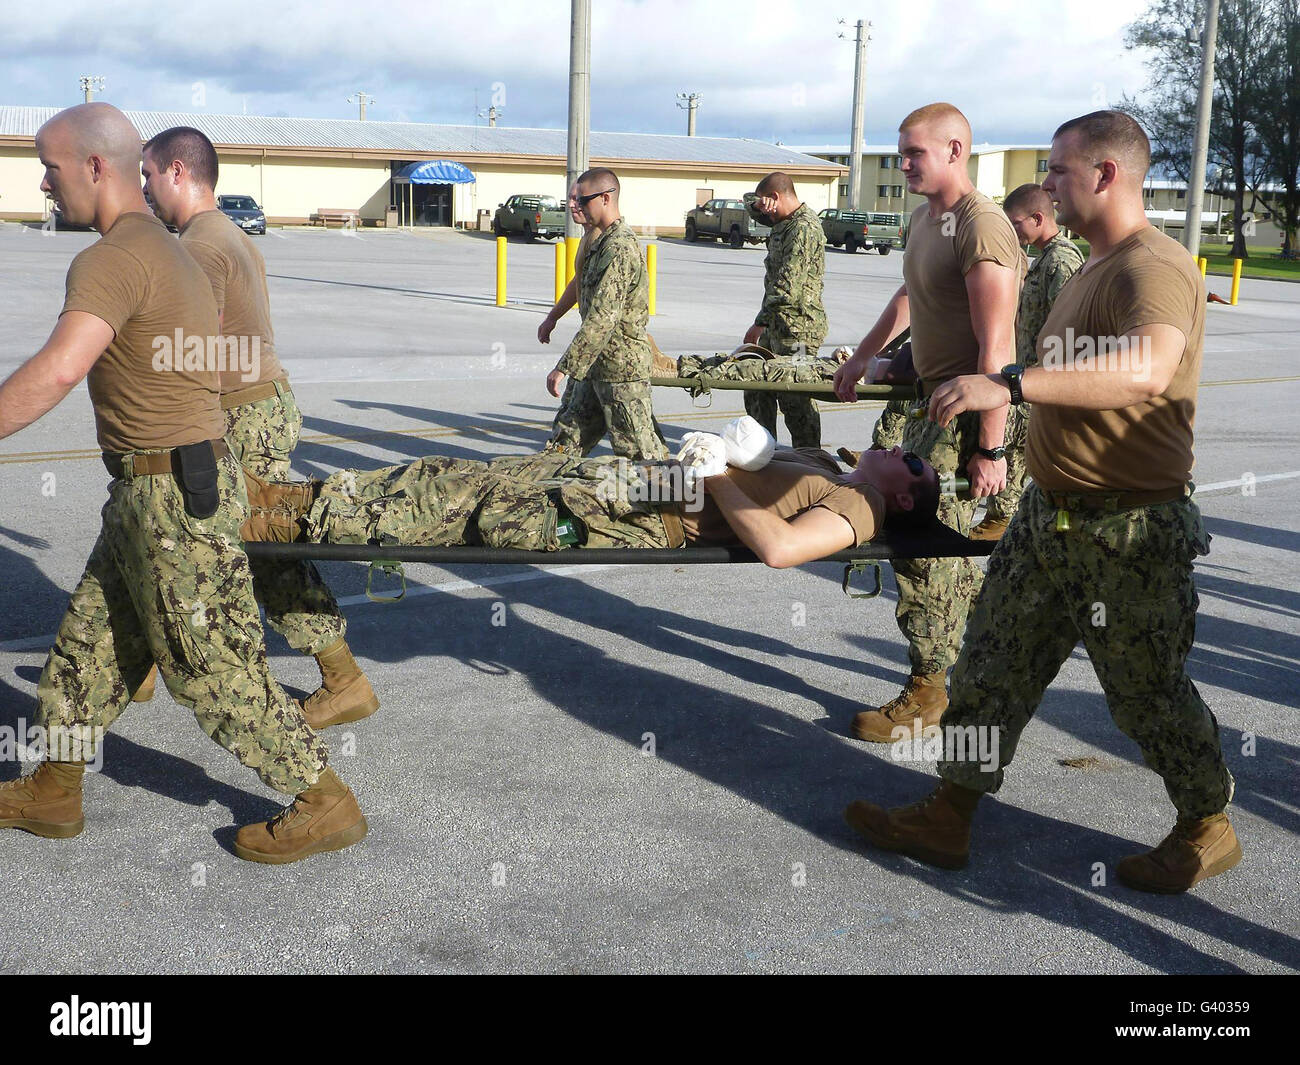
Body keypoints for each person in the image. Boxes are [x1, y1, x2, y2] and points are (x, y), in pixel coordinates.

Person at [844, 110, 1239, 894]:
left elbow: (1147, 370)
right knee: (992, 667)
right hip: (1049, 514)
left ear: (1106, 174)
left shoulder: (1151, 266)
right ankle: (949, 811)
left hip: (1126, 526)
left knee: (1145, 691)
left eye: (1060, 170)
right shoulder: (1089, 265)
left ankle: (1206, 822)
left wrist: (1010, 384)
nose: (1048, 183)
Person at [0, 103, 366, 865]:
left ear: (96, 168)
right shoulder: (176, 254)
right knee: (87, 650)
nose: (43, 183)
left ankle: (325, 800)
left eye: (51, 166)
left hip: (169, 499)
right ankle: (55, 785)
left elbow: (61, 368)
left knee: (214, 669)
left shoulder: (114, 258)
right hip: (155, 490)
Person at [139, 125, 377, 730]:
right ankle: (136, 655)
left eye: (147, 175)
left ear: (176, 172)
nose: (142, 189)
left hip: (241, 412)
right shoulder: (227, 235)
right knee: (172, 531)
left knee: (252, 545)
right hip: (255, 403)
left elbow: (198, 342)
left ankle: (342, 678)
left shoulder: (199, 245)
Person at [833, 103, 1022, 744]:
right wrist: (867, 357)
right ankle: (949, 673)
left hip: (967, 416)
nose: (904, 162)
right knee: (926, 546)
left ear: (955, 150)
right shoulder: (926, 220)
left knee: (928, 549)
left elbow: (997, 352)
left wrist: (991, 449)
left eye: (915, 153)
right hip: (929, 407)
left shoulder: (983, 227)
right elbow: (911, 298)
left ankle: (932, 691)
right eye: (901, 151)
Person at [241, 441, 940, 566]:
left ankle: (275, 517)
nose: (904, 447)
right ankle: (287, 497)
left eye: (915, 462)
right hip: (620, 479)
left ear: (902, 492)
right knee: (445, 470)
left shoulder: (859, 510)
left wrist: (717, 476)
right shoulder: (839, 466)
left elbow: (780, 550)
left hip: (630, 516)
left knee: (448, 505)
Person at [970, 183, 1084, 541]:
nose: (1012, 231)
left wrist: (1048, 378)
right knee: (1017, 445)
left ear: (1038, 218)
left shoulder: (1062, 260)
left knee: (1013, 443)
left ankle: (1003, 519)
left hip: (1041, 379)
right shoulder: (1044, 257)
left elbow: (1069, 325)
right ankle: (1005, 518)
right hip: (1027, 375)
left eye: (1016, 223)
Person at [544, 167, 667, 460]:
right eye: (571, 199)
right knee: (566, 440)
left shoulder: (619, 247)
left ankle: (668, 503)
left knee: (639, 455)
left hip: (620, 370)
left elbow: (603, 318)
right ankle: (548, 496)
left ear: (605, 199)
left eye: (581, 200)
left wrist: (565, 366)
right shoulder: (596, 240)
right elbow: (580, 281)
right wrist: (553, 317)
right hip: (594, 363)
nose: (573, 205)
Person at [741, 172, 828, 447]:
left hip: (799, 331)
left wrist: (760, 322)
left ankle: (810, 460)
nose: (763, 213)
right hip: (778, 325)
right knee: (758, 388)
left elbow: (787, 285)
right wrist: (757, 204)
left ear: (776, 198)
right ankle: (763, 452)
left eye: (766, 203)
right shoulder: (785, 220)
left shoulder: (804, 228)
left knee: (795, 399)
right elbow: (748, 202)